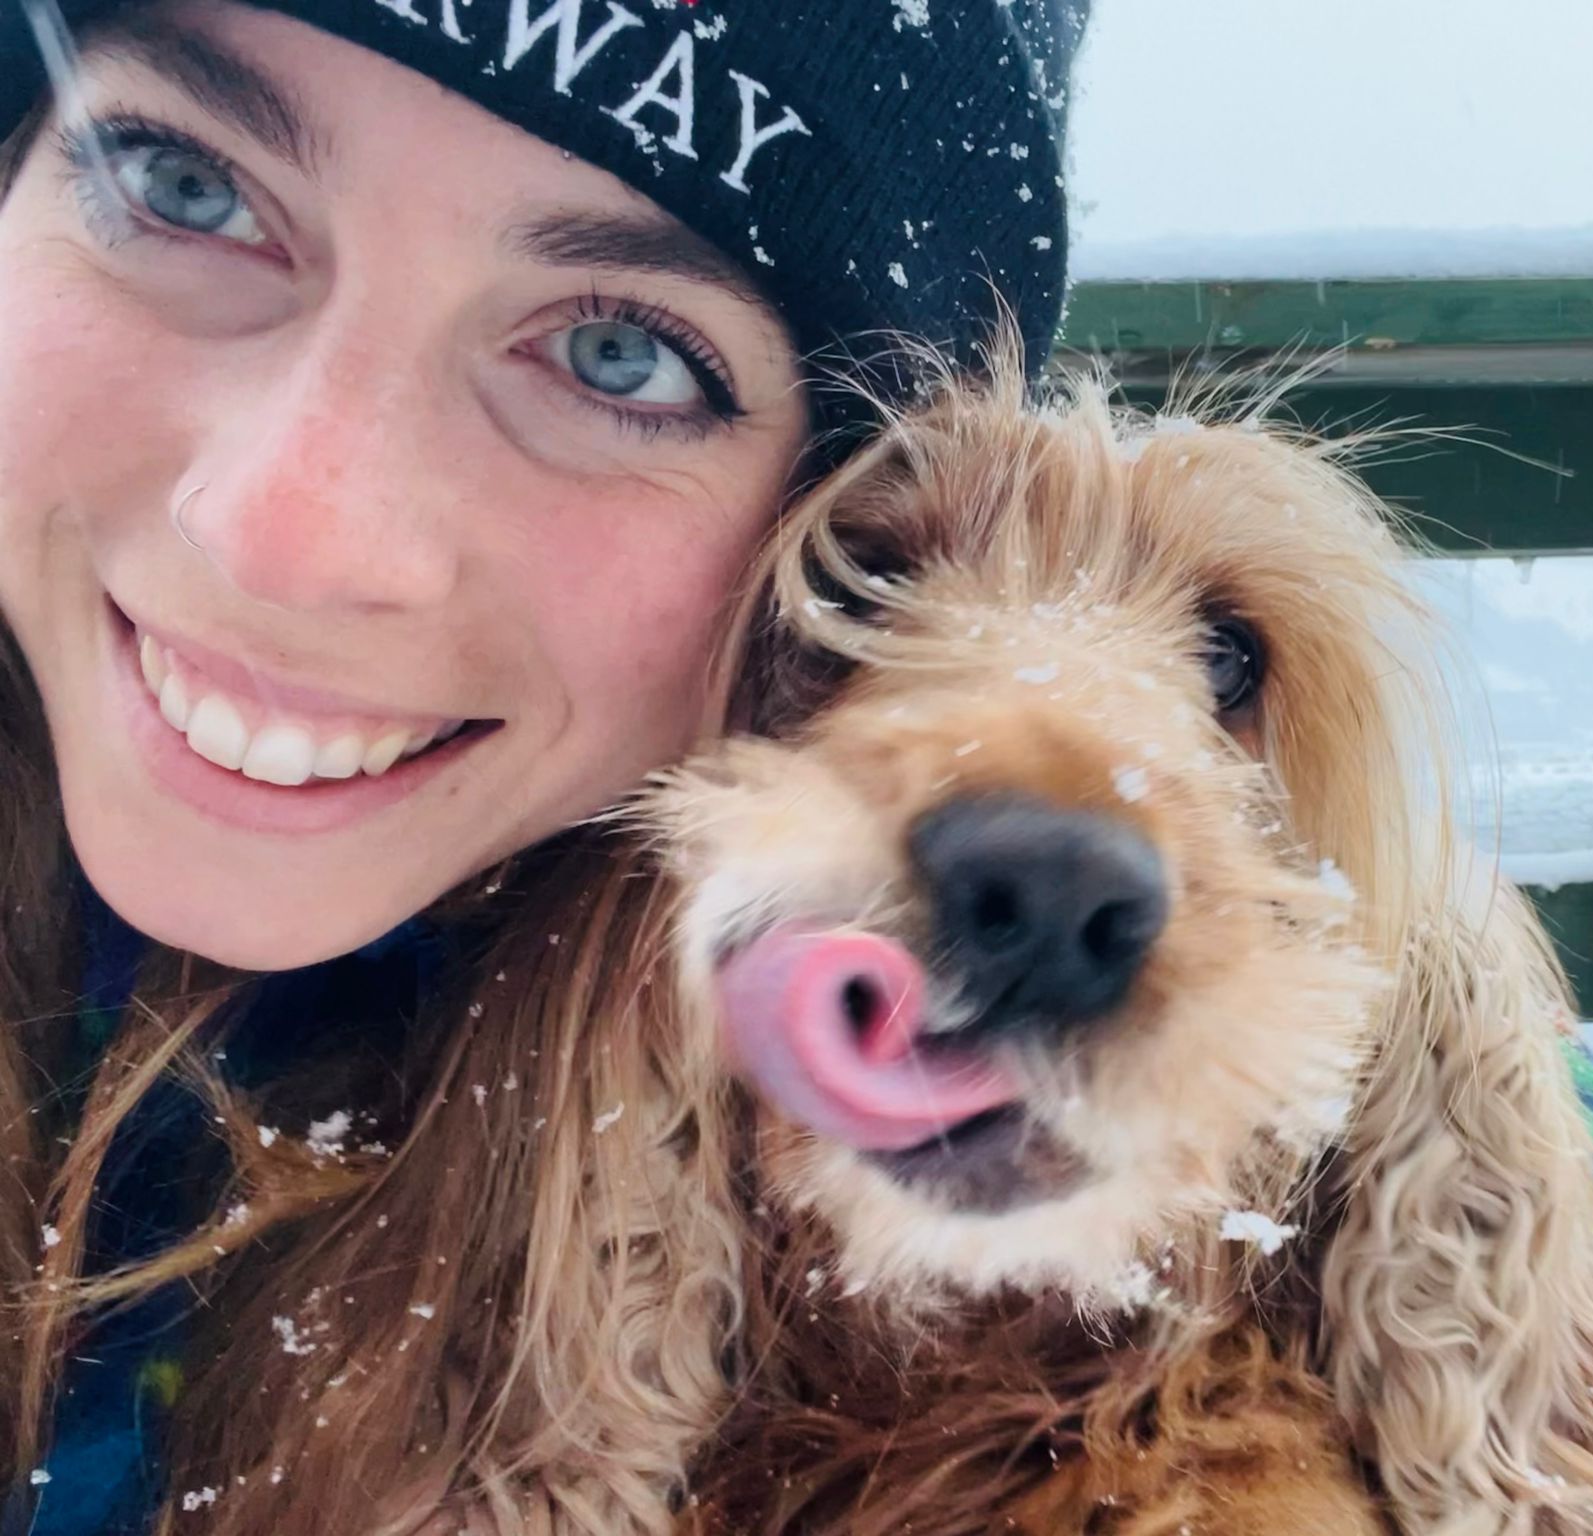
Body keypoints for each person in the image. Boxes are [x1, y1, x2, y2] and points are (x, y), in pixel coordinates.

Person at [0, 2, 1084, 1531]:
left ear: (853, 557)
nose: (281, 538)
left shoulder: (972, 1337)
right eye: (181, 185)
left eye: (616, 355)